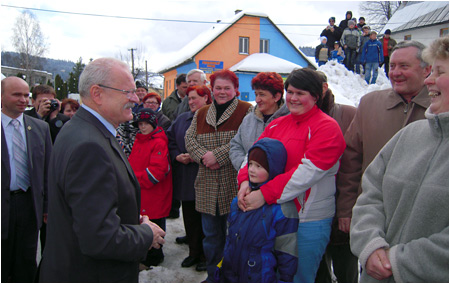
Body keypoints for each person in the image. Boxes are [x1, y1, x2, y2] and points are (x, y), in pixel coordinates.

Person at [39, 58, 166, 282]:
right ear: (97, 94)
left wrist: (130, 217)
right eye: (127, 92)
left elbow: (88, 204)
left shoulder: (82, 129)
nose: (135, 99)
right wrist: (147, 234)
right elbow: (99, 238)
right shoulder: (89, 145)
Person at [350, 36, 448, 283]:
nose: (429, 80)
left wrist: (398, 261)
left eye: (439, 71)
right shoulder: (410, 135)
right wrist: (370, 244)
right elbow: (371, 193)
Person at [237, 68, 346, 282]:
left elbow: (306, 174)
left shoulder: (327, 127)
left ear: (316, 96)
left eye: (301, 93)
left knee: (299, 276)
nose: (293, 98)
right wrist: (244, 182)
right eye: (290, 92)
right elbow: (253, 154)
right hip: (274, 214)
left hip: (308, 219)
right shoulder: (277, 124)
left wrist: (264, 194)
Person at [185, 69, 252, 282]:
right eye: (218, 88)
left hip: (233, 185)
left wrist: (218, 156)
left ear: (236, 90)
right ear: (211, 90)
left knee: (236, 236)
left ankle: (234, 276)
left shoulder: (246, 111)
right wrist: (205, 156)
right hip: (206, 185)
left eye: (227, 88)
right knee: (211, 238)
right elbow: (190, 140)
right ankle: (214, 275)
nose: (222, 92)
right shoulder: (202, 113)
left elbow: (244, 141)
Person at [218, 138, 298, 282]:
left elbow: (287, 252)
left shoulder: (282, 208)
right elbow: (230, 240)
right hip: (232, 274)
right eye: (251, 164)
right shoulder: (239, 200)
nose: (252, 170)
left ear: (273, 168)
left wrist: (285, 280)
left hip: (261, 277)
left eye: (259, 166)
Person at [1, 77, 52, 282]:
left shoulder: (40, 128)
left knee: (26, 261)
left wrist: (47, 206)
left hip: (29, 204)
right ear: (2, 96)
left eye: (26, 95)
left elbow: (48, 171)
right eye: (17, 95)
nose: (23, 100)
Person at [314, 72, 358, 283]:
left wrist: (346, 207)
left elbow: (355, 162)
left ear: (324, 88)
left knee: (345, 267)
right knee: (319, 269)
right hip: (313, 209)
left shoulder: (349, 114)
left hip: (342, 203)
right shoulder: (295, 116)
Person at [166, 85, 212, 272]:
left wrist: (196, 155)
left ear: (207, 98)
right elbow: (170, 140)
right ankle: (193, 252)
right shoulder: (182, 119)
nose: (191, 102)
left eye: (195, 98)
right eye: (189, 99)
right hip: (186, 177)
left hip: (205, 176)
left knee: (206, 221)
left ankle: (206, 256)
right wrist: (177, 155)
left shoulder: (212, 119)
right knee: (190, 218)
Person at [128, 108, 173, 269]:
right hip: (142, 193)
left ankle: (154, 257)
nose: (143, 127)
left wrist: (134, 179)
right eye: (140, 123)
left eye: (146, 123)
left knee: (155, 223)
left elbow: (158, 171)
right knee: (144, 224)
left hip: (154, 194)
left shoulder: (158, 142)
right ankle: (145, 254)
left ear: (153, 123)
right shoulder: (139, 140)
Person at [229, 71, 288, 171]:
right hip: (250, 180)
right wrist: (246, 168)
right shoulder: (249, 119)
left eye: (262, 95)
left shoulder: (289, 120)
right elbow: (236, 145)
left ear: (277, 97)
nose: (257, 100)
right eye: (256, 94)